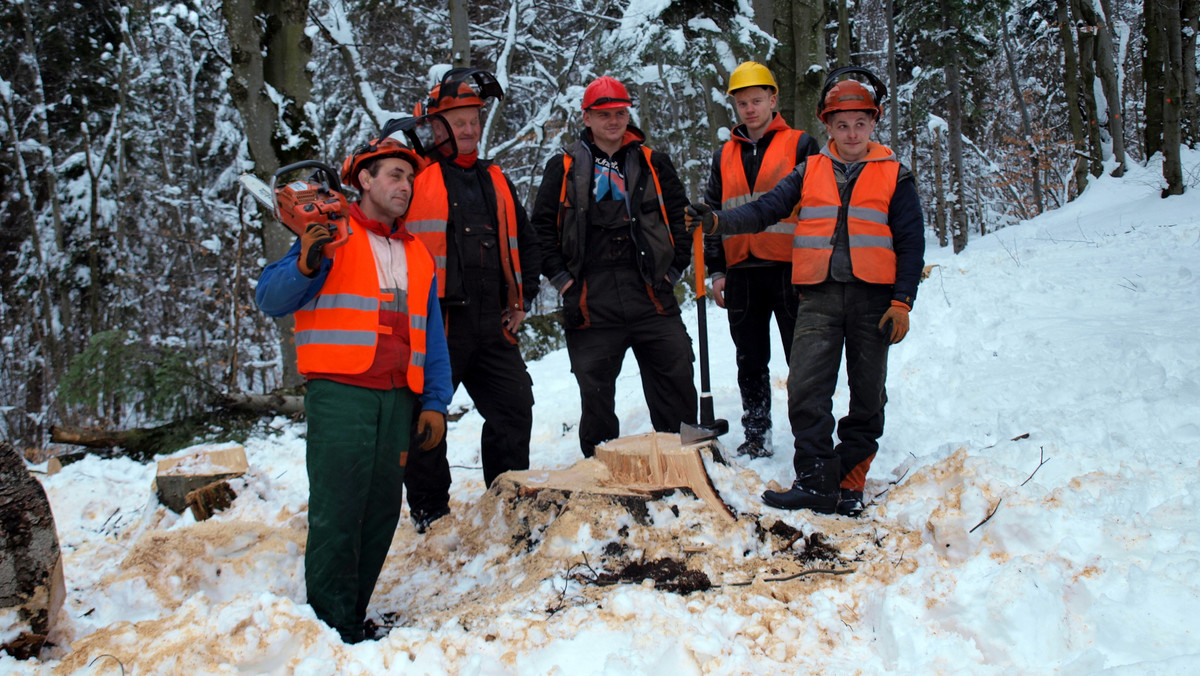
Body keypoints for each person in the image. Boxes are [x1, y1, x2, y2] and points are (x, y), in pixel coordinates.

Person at [687, 70, 925, 516]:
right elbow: (766, 208)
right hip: (817, 296)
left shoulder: (896, 175)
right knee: (805, 389)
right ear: (827, 126)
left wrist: (902, 301)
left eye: (860, 123)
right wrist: (719, 222)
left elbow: (911, 243)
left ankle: (851, 480)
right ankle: (816, 479)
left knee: (868, 394)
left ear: (873, 123)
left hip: (874, 300)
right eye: (841, 125)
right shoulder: (809, 169)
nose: (851, 133)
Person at [255, 137, 453, 643]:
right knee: (338, 510)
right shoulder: (330, 234)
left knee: (382, 512)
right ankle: (329, 627)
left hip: (398, 397)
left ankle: (352, 614)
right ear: (363, 180)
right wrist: (305, 258)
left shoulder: (418, 254)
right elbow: (271, 298)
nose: (404, 186)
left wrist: (434, 401)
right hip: (341, 393)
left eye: (409, 178)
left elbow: (430, 334)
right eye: (393, 175)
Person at [532, 75, 697, 458]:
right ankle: (601, 469)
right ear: (586, 117)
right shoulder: (564, 168)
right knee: (596, 393)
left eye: (620, 112)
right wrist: (563, 282)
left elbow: (681, 217)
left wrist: (673, 271)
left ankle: (684, 461)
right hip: (591, 296)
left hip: (649, 290)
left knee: (675, 373)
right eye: (603, 114)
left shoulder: (653, 162)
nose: (613, 121)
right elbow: (541, 228)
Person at [403, 68, 541, 527]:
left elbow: (524, 237)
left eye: (473, 120)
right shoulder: (413, 178)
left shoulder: (494, 177)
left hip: (491, 318)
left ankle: (505, 497)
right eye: (456, 121)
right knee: (427, 418)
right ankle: (430, 512)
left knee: (514, 404)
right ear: (434, 126)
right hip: (438, 321)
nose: (467, 129)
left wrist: (523, 297)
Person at [701, 61, 820, 459]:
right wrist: (717, 271)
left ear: (773, 99)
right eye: (742, 103)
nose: (750, 109)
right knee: (749, 360)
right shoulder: (724, 155)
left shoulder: (801, 145)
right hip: (742, 272)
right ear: (733, 106)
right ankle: (756, 435)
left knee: (800, 360)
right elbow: (713, 216)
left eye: (757, 100)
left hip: (790, 269)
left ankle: (811, 434)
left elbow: (819, 210)